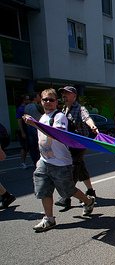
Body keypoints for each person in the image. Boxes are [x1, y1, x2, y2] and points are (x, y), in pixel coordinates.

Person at [23, 88, 95, 232]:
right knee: (44, 190)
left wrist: (35, 124)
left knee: (68, 190)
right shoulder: (43, 118)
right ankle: (49, 219)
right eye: (45, 100)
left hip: (61, 163)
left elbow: (57, 134)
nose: (48, 102)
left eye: (51, 100)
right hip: (44, 161)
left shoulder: (59, 117)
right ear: (40, 101)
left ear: (56, 102)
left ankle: (88, 201)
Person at [54, 86, 98, 210]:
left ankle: (66, 198)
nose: (64, 96)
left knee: (73, 168)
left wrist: (93, 126)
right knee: (81, 168)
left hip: (79, 144)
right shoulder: (63, 110)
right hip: (69, 144)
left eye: (67, 94)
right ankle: (90, 191)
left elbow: (87, 118)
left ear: (74, 96)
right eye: (63, 94)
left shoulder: (80, 108)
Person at [24, 92, 42, 164]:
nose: (40, 97)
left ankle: (35, 161)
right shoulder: (38, 106)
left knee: (32, 146)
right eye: (38, 96)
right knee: (39, 145)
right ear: (35, 98)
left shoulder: (26, 106)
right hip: (38, 127)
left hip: (29, 128)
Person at [15, 95, 31, 169]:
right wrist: (22, 132)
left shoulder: (26, 108)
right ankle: (23, 162)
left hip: (27, 130)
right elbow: (19, 121)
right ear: (24, 100)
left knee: (29, 146)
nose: (29, 100)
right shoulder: (21, 109)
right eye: (27, 99)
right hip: (23, 131)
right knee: (24, 147)